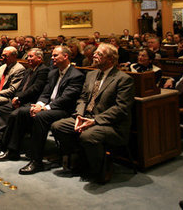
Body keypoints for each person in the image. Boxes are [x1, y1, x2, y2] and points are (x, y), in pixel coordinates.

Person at [51, 43, 135, 183]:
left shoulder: (123, 79)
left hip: (110, 125)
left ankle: (99, 170)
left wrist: (95, 121)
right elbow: (83, 98)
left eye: (99, 54)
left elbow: (121, 109)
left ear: (110, 59)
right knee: (58, 126)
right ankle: (81, 158)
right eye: (95, 53)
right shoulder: (91, 74)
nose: (94, 55)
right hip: (86, 117)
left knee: (88, 135)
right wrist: (79, 115)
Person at [0, 46, 84, 175]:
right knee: (21, 111)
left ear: (65, 57)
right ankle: (13, 150)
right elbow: (45, 92)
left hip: (63, 109)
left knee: (41, 116)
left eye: (55, 56)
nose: (52, 58)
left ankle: (36, 160)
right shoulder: (53, 73)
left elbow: (66, 98)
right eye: (52, 55)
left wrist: (44, 108)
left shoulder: (76, 75)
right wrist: (39, 104)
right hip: (47, 106)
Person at [0, 48, 50, 153]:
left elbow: (35, 88)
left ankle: (4, 144)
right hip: (20, 99)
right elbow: (20, 88)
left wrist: (19, 98)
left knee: (12, 113)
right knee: (2, 110)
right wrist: (16, 98)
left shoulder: (43, 70)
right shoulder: (29, 70)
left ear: (39, 58)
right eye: (28, 56)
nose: (28, 59)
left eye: (31, 56)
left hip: (31, 101)